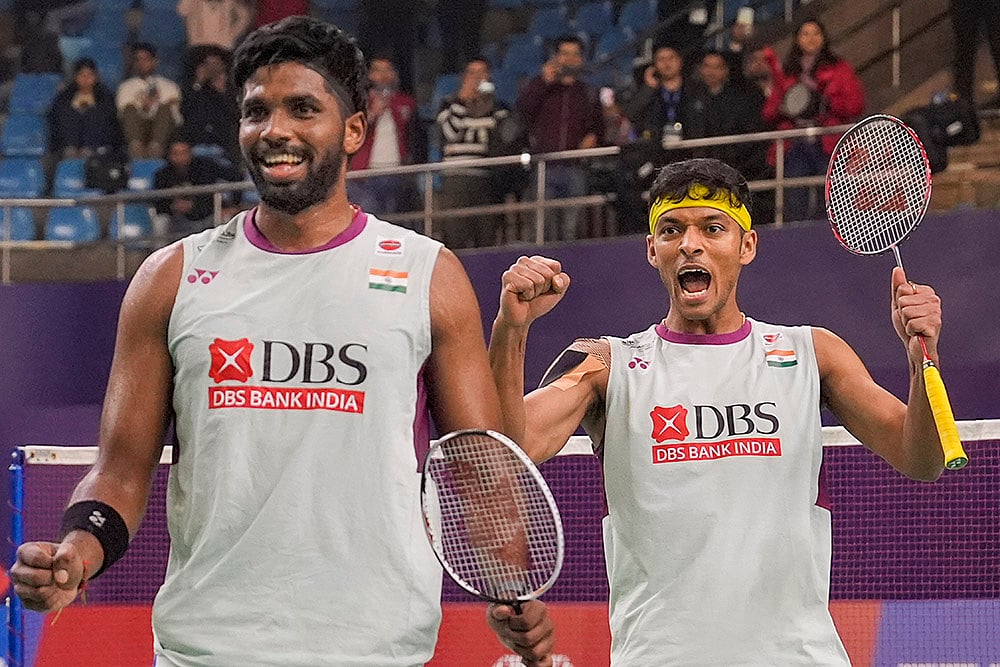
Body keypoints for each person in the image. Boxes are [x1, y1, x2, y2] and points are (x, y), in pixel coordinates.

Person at [11, 16, 553, 667]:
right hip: (208, 647)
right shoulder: (172, 279)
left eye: (303, 108)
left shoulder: (427, 275)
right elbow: (120, 471)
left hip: (376, 646)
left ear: (353, 128)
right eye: (256, 111)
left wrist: (512, 586)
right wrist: (78, 550)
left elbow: (478, 470)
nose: (276, 131)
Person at [488, 157, 948, 665]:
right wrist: (512, 330)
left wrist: (920, 359)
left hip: (797, 657)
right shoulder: (606, 363)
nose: (690, 243)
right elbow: (507, 453)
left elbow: (921, 460)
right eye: (671, 230)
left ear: (746, 245)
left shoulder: (811, 352)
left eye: (713, 228)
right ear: (652, 250)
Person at [762, 18, 865, 221]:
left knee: (830, 199)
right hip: (796, 142)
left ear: (824, 38)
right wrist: (785, 108)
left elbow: (855, 104)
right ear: (797, 39)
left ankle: (828, 244)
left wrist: (828, 104)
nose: (811, 38)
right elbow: (769, 112)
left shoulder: (839, 67)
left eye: (815, 33)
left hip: (828, 142)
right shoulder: (788, 71)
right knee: (794, 200)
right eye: (805, 34)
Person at [515, 35, 602, 242]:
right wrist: (544, 82)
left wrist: (593, 138)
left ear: (581, 59)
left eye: (575, 54)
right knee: (542, 230)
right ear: (555, 57)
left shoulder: (588, 92)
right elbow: (522, 111)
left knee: (572, 230)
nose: (570, 59)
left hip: (575, 168)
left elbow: (599, 128)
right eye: (565, 54)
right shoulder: (539, 86)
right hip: (544, 167)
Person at [435, 56, 511, 249]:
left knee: (486, 235)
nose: (477, 79)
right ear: (463, 77)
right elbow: (450, 133)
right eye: (472, 73)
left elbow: (499, 140)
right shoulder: (448, 104)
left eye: (482, 73)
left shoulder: (499, 108)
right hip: (455, 177)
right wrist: (462, 101)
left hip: (486, 178)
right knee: (455, 235)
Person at [348, 56, 418, 217]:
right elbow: (350, 131)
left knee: (394, 220)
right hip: (365, 174)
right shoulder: (358, 102)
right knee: (368, 217)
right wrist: (373, 114)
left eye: (388, 70)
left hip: (396, 171)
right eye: (378, 70)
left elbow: (413, 135)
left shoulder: (405, 102)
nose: (383, 75)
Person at [153, 136, 243, 237]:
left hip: (207, 215)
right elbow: (158, 204)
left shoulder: (205, 166)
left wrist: (234, 205)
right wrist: (172, 207)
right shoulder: (162, 174)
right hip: (176, 219)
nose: (181, 157)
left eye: (184, 153)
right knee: (160, 222)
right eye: (176, 154)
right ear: (169, 155)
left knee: (226, 219)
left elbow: (236, 176)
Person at [47, 58, 125, 159]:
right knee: (68, 112)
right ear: (75, 77)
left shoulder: (105, 97)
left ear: (96, 77)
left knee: (94, 113)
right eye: (82, 75)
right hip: (67, 145)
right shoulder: (64, 97)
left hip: (97, 147)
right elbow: (55, 121)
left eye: (90, 75)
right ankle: (71, 149)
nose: (86, 79)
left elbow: (112, 124)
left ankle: (88, 149)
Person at [116, 43, 182, 159]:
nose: (142, 63)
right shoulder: (126, 87)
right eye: (138, 60)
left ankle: (155, 148)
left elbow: (174, 111)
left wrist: (151, 104)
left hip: (164, 132)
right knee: (130, 110)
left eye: (146, 59)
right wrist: (146, 106)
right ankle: (136, 148)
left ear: (154, 61)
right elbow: (125, 111)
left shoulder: (169, 86)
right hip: (138, 129)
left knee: (165, 110)